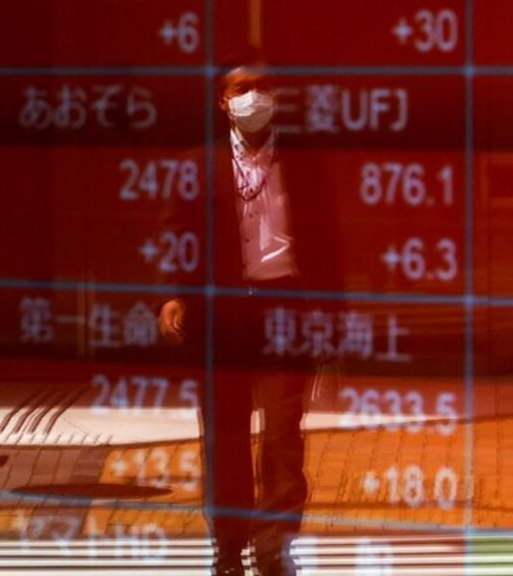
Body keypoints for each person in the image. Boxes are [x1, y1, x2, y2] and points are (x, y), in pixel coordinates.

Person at [160, 64, 336, 576]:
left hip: (285, 307)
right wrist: (173, 295)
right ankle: (230, 547)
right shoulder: (197, 164)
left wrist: (333, 315)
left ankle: (274, 547)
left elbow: (327, 241)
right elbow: (177, 232)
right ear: (223, 102)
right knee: (225, 436)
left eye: (262, 88)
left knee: (283, 435)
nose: (254, 97)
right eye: (242, 89)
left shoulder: (302, 164)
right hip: (223, 313)